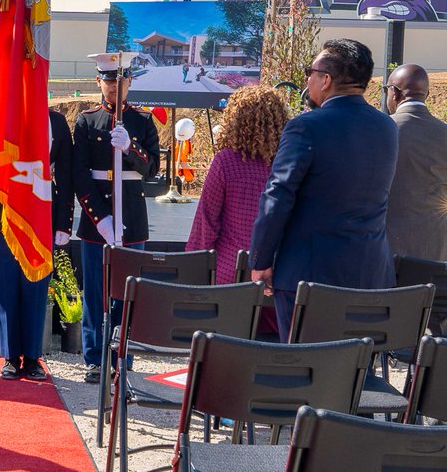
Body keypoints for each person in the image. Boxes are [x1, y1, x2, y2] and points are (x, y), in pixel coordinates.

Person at [250, 39, 398, 339]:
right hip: (371, 273)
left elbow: (277, 195)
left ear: (326, 79)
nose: (308, 79)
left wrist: (260, 260)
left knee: (303, 363)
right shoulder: (387, 127)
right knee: (355, 363)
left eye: (310, 72)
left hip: (309, 276)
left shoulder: (306, 126)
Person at [73, 54, 161, 384]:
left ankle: (123, 357)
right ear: (99, 82)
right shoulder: (87, 121)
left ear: (130, 83)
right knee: (95, 293)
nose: (114, 87)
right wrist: (101, 219)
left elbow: (152, 168)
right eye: (109, 81)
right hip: (98, 220)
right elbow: (80, 175)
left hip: (132, 219)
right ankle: (95, 359)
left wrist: (131, 148)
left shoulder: (142, 120)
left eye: (120, 81)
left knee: (127, 292)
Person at [0, 109, 74, 379]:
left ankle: (33, 356)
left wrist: (64, 222)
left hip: (39, 213)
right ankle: (10, 356)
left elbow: (66, 174)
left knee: (36, 287)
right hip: (1, 212)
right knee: (5, 285)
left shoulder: (55, 122)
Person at [186, 86, 289, 284]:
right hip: (276, 274)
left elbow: (206, 223)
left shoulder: (225, 162)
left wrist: (194, 270)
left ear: (234, 120)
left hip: (229, 273)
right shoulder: (288, 165)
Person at [385, 63, 447, 262]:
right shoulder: (444, 133)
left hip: (388, 251)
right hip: (437, 252)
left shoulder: (383, 130)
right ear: (426, 95)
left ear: (394, 93)